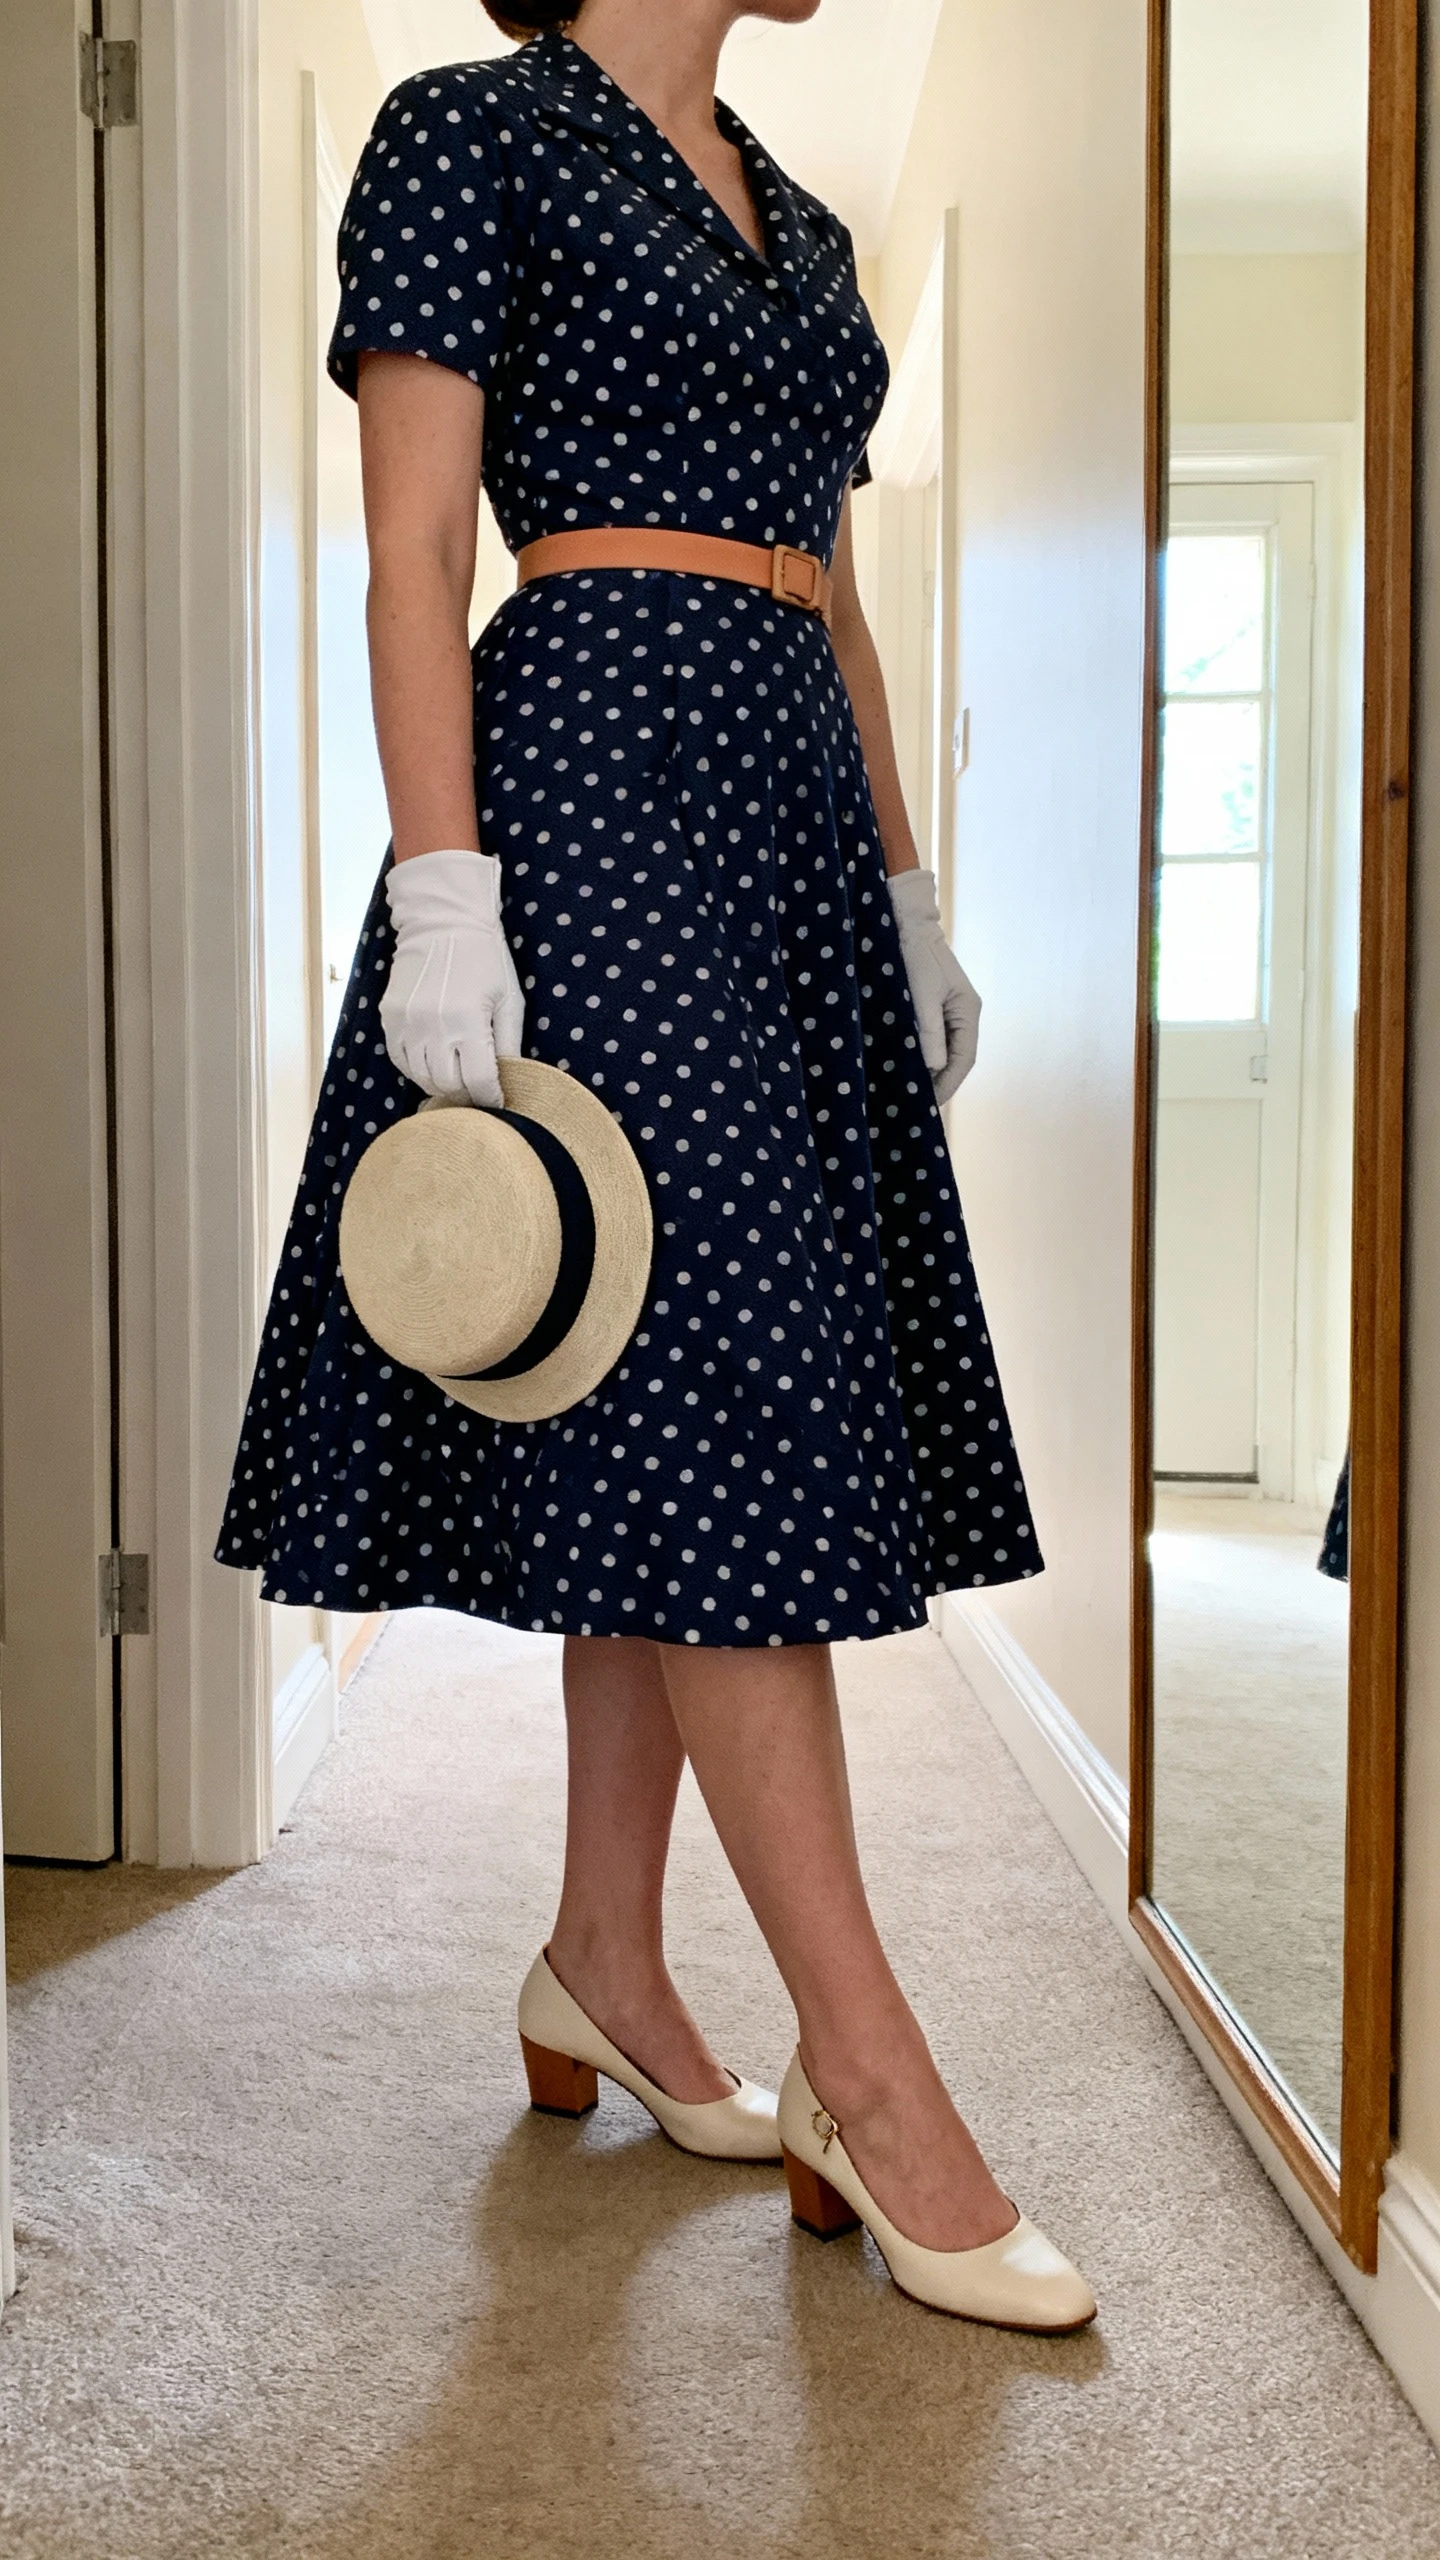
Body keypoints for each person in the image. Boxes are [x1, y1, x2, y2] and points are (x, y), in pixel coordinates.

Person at [218, 0, 1095, 2330]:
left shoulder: (801, 220)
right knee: (731, 1414)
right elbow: (418, 544)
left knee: (658, 1413)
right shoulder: (471, 133)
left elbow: (833, 584)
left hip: (789, 816)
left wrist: (906, 885)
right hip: (595, 800)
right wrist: (445, 887)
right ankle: (870, 2075)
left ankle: (605, 1951)